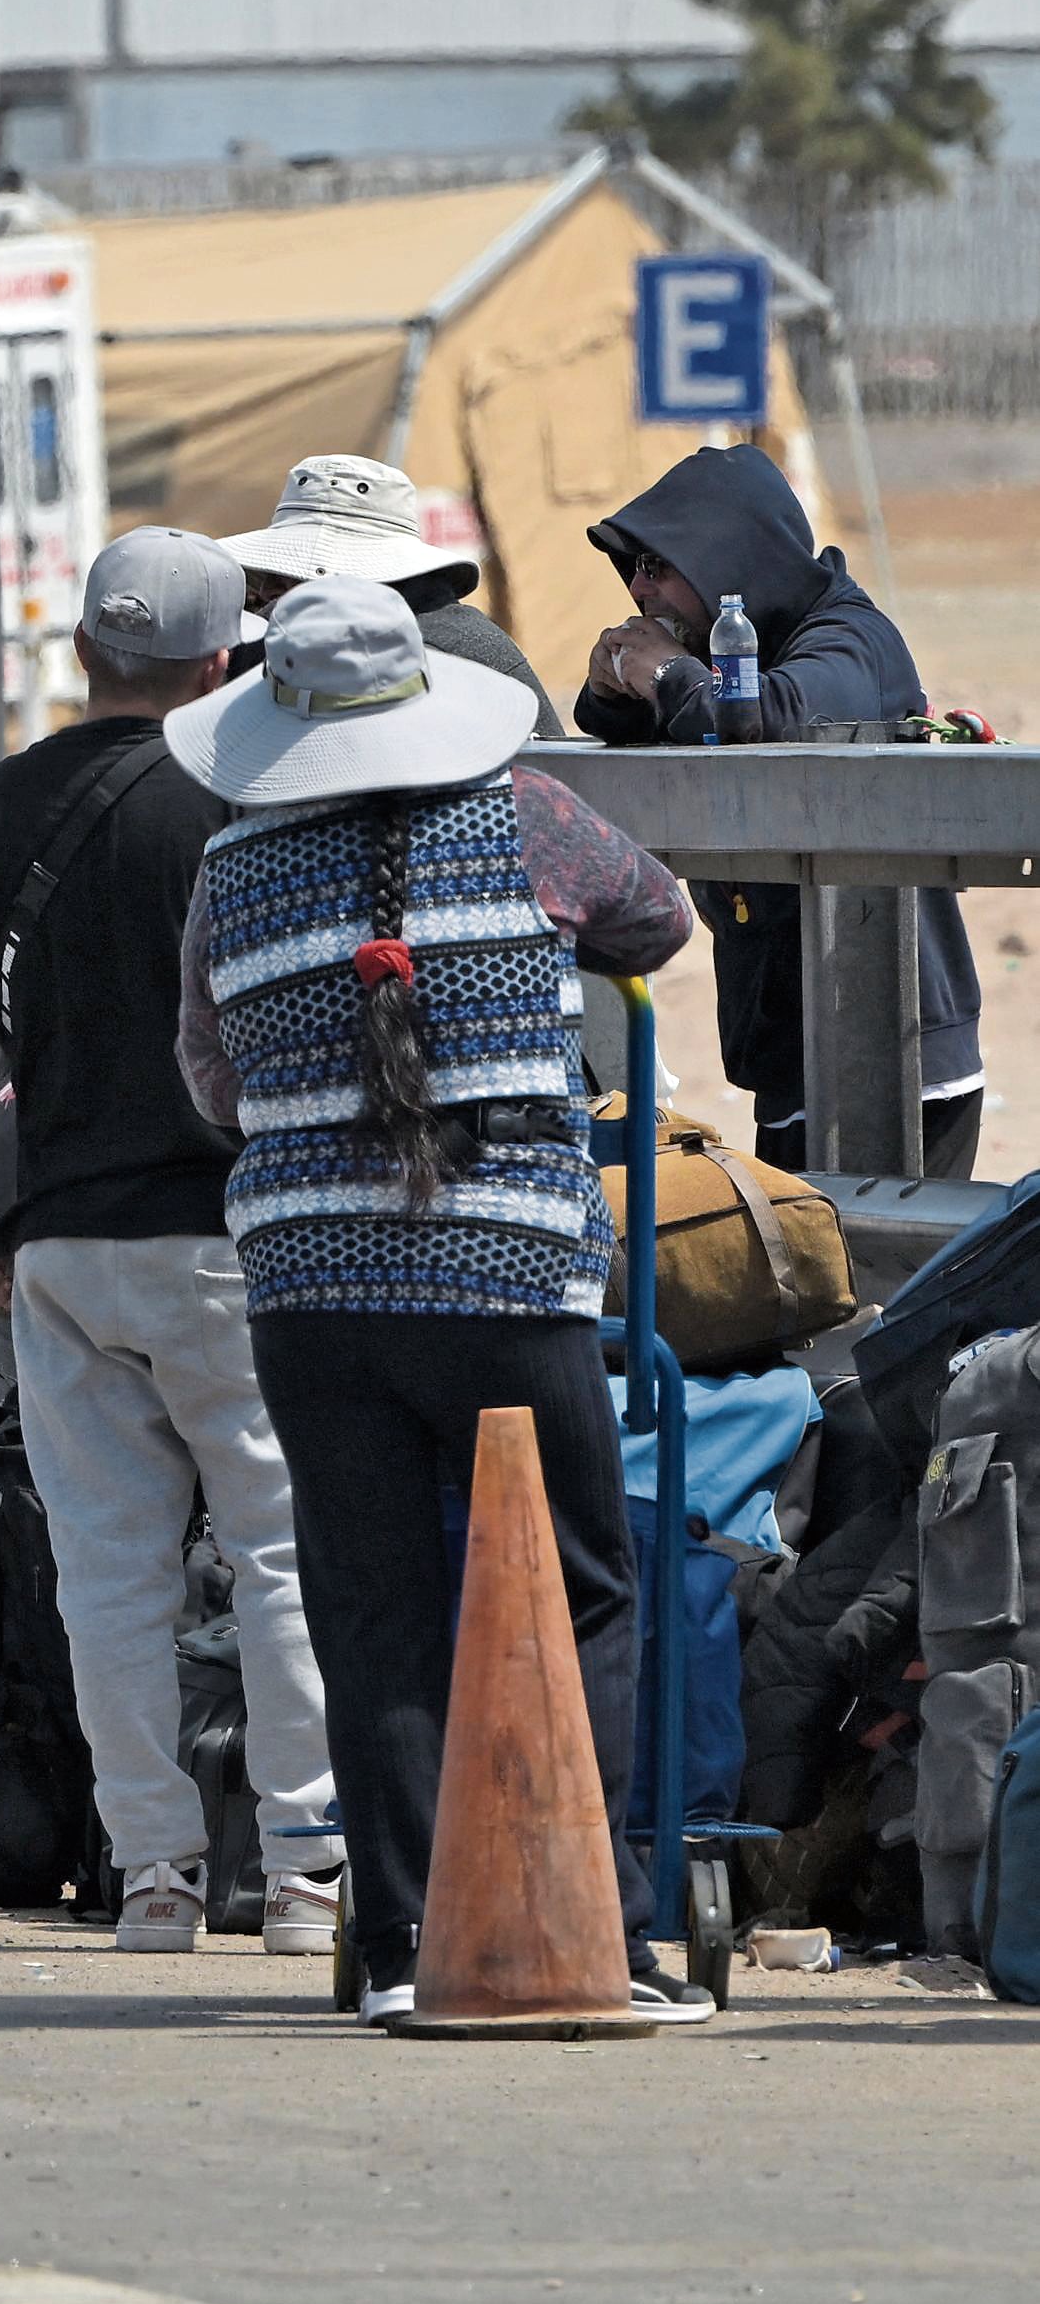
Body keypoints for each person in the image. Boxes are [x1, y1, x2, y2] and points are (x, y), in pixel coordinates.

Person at [170, 577, 713, 2027]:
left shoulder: (232, 866)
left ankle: (410, 1942)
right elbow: (657, 920)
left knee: (374, 1600)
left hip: (305, 1285)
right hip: (508, 1268)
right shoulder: (527, 813)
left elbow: (211, 1080)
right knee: (579, 1583)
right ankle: (593, 1927)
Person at [0, 527, 340, 1958]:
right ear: (225, 659)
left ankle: (153, 1875)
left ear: (87, 650)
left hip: (60, 1244)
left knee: (109, 1577)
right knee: (282, 1557)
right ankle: (302, 1877)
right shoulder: (251, 789)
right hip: (231, 1232)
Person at [573, 443, 985, 1176]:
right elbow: (640, 724)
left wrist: (665, 672)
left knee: (885, 1284)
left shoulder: (852, 639)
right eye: (634, 569)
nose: (640, 592)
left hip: (891, 1059)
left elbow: (765, 722)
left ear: (725, 557)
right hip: (797, 1049)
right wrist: (615, 684)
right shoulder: (734, 654)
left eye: (658, 566)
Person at [220, 455, 559, 737]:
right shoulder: (433, 628)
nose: (265, 593)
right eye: (266, 577)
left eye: (283, 579)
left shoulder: (416, 653)